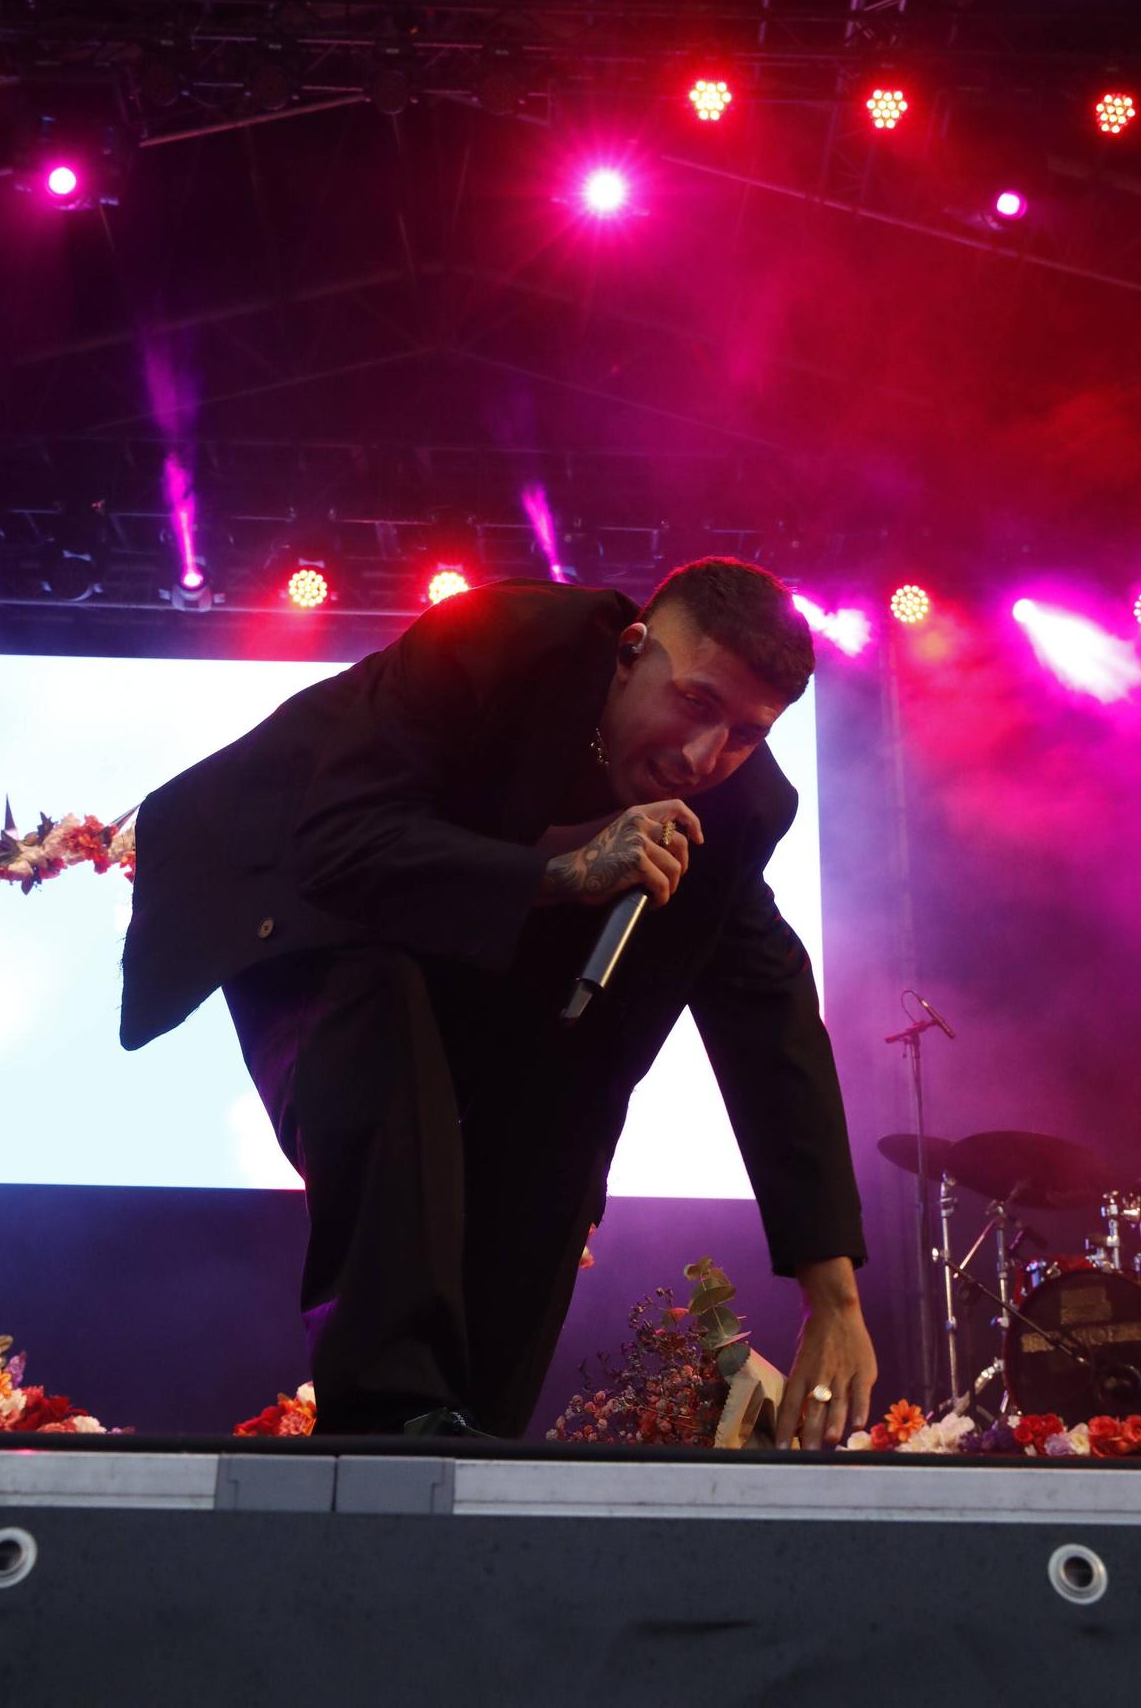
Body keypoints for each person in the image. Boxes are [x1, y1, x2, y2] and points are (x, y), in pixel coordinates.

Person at [120, 557, 875, 1445]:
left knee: (568, 1118)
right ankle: (391, 1414)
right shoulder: (494, 641)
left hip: (466, 938)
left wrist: (834, 1298)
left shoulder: (737, 808)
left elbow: (767, 1015)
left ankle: (475, 1434)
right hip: (299, 885)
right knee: (377, 1019)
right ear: (631, 652)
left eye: (745, 734)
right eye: (696, 703)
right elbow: (344, 844)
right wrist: (557, 873)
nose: (703, 757)